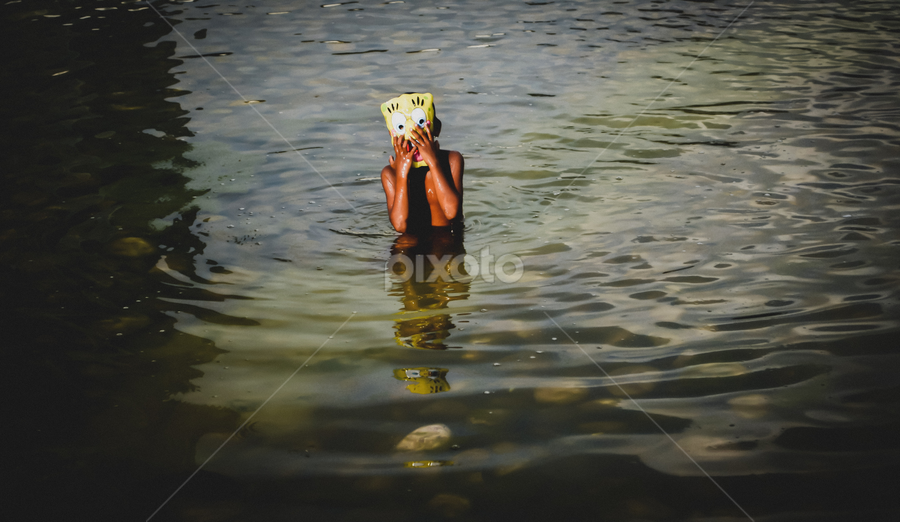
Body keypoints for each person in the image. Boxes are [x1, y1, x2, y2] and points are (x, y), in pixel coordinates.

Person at [380, 93, 464, 234]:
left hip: (448, 242)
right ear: (393, 135)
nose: (413, 138)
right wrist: (401, 175)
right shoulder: (390, 173)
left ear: (436, 129)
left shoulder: (451, 161)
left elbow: (451, 213)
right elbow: (400, 225)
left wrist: (433, 162)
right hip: (410, 245)